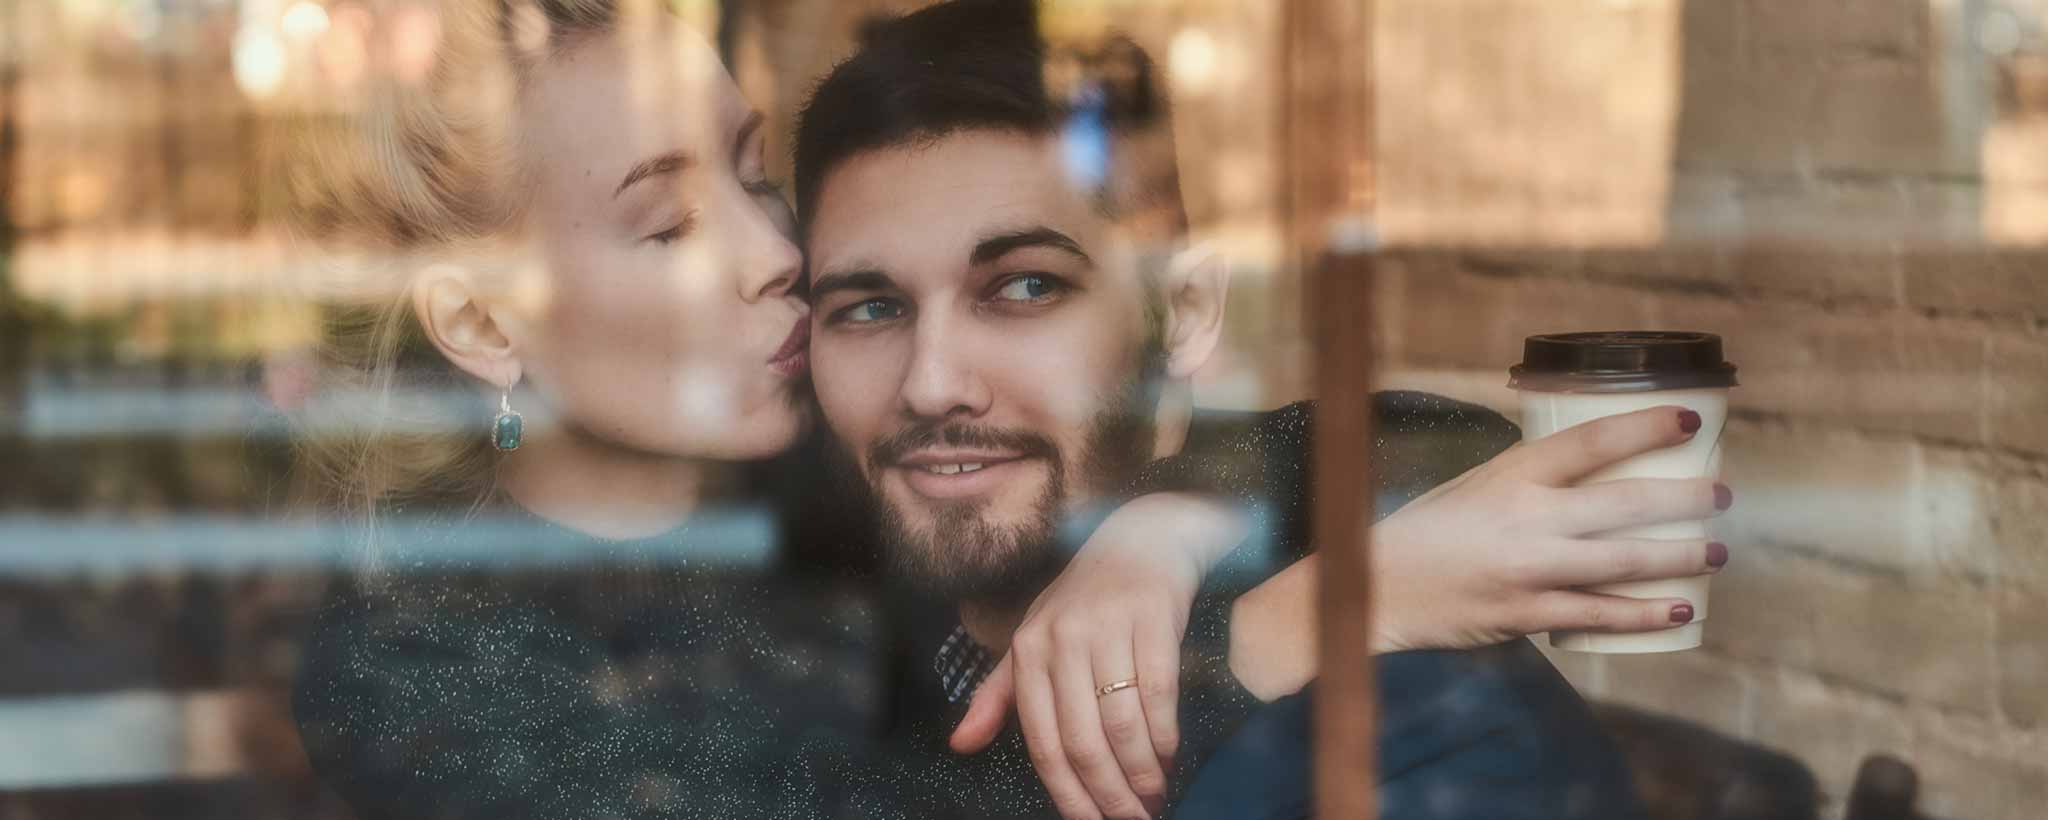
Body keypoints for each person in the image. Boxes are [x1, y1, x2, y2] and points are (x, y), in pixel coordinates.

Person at [285, 1, 1723, 818]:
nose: (773, 253)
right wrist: (1313, 622)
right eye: (667, 229)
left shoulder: (812, 467)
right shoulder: (411, 649)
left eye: (749, 173)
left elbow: (1435, 451)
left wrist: (1161, 531)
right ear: (484, 326)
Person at [791, 2, 1728, 817]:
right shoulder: (852, 646)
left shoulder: (1425, 735)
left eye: (1026, 287)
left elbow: (1444, 444)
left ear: (1188, 313)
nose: (931, 382)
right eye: (870, 307)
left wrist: (1229, 605)